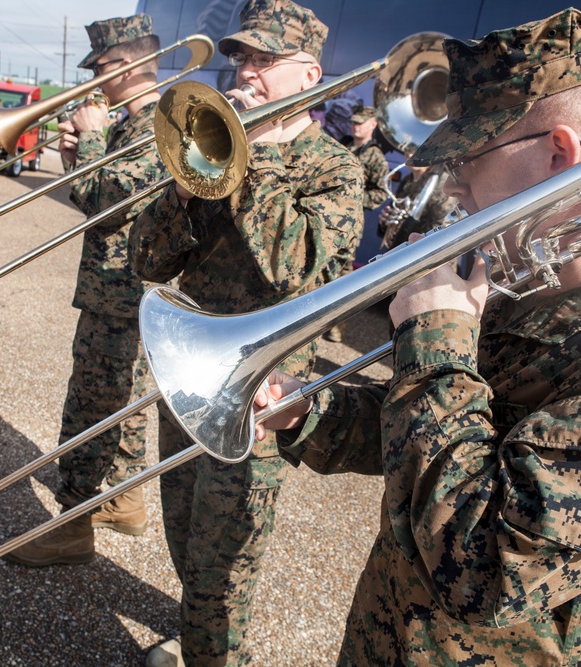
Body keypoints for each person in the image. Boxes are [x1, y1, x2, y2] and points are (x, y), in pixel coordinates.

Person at [255, 8, 581, 666]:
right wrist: (310, 411)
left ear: (559, 154)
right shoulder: (527, 277)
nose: (453, 182)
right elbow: (446, 432)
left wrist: (436, 340)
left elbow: (486, 569)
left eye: (469, 156)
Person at [128, 0, 364, 664]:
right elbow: (147, 261)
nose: (247, 72)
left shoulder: (335, 170)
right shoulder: (214, 150)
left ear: (310, 75)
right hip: (190, 370)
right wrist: (182, 192)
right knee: (182, 527)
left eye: (265, 59)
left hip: (261, 395)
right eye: (242, 58)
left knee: (224, 564)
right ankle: (197, 642)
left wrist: (254, 155)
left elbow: (293, 266)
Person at [5, 14, 168, 566]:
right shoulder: (134, 123)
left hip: (123, 293)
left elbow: (108, 205)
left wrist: (93, 135)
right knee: (122, 402)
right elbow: (94, 197)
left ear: (125, 65)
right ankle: (124, 500)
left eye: (99, 68)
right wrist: (79, 156)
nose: (94, 80)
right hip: (118, 290)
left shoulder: (157, 126)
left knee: (91, 406)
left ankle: (72, 525)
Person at [324, 105, 390, 343]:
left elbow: (381, 192)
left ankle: (336, 325)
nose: (355, 126)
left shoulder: (375, 156)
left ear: (373, 124)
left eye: (361, 122)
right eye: (353, 121)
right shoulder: (342, 144)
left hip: (349, 223)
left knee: (342, 272)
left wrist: (351, 197)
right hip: (326, 215)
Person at [378, 161, 456, 250]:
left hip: (424, 249)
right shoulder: (407, 180)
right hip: (400, 247)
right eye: (407, 152)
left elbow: (445, 224)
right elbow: (394, 210)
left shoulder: (442, 182)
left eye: (414, 153)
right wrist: (386, 222)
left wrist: (411, 234)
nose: (410, 154)